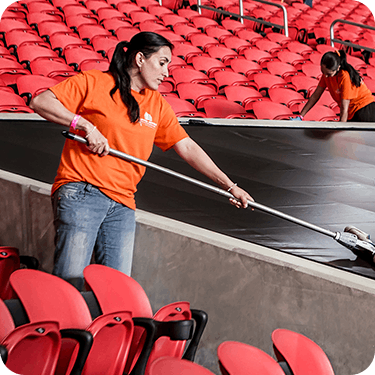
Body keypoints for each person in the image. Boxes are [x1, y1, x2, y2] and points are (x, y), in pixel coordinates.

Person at [30, 32, 254, 290]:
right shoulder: (95, 82)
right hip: (83, 191)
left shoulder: (156, 104)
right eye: (162, 62)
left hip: (123, 203)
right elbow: (41, 101)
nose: (167, 72)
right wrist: (85, 126)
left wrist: (230, 185)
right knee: (70, 285)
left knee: (116, 291)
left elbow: (187, 146)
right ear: (139, 58)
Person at [296, 49, 375, 122]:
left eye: (329, 74)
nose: (325, 76)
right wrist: (301, 116)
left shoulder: (345, 76)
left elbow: (344, 107)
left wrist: (341, 128)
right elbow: (315, 95)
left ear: (338, 68)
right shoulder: (326, 76)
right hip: (352, 112)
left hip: (365, 110)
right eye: (323, 72)